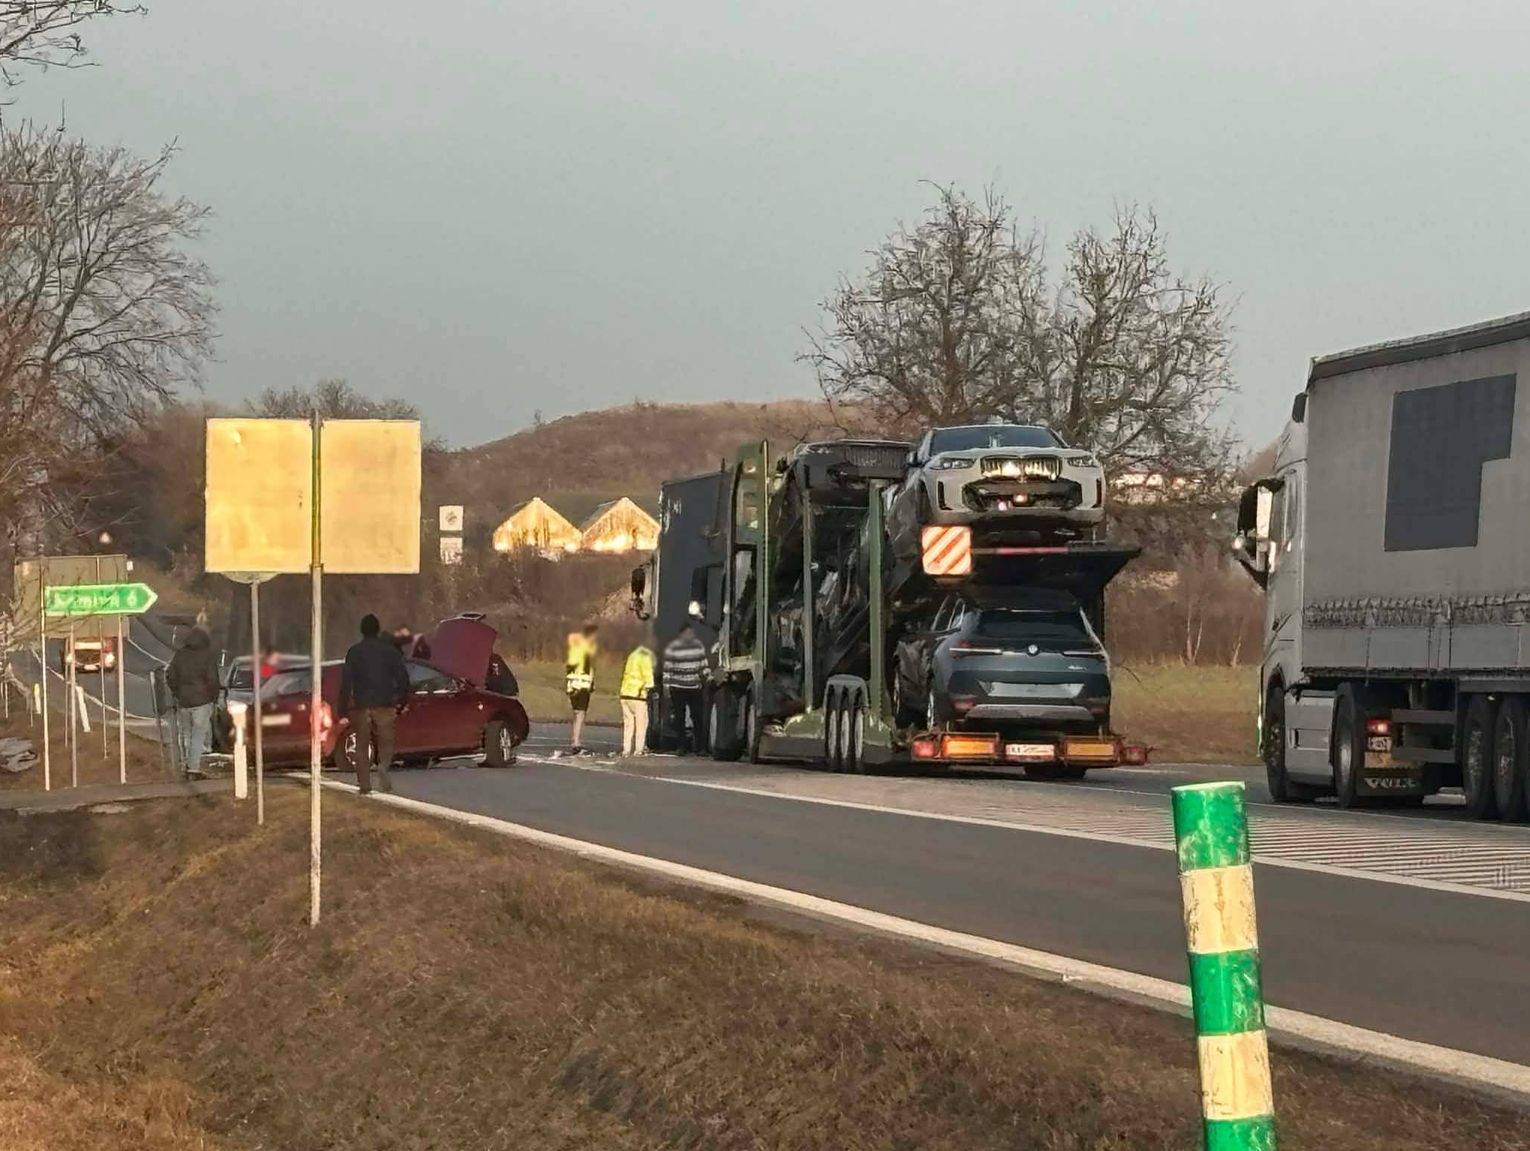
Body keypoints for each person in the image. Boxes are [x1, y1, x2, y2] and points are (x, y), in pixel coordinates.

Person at [337, 613, 410, 795]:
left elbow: (346, 682)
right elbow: (403, 678)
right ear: (378, 630)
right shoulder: (390, 652)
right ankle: (383, 766)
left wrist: (342, 708)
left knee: (362, 745)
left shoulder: (354, 652)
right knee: (386, 742)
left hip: (362, 706)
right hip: (385, 704)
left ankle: (364, 784)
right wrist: (401, 700)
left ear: (362, 631)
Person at [166, 625, 219, 777]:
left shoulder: (180, 655)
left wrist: (177, 692)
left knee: (186, 735)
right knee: (198, 735)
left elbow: (170, 676)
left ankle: (185, 764)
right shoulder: (207, 656)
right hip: (202, 701)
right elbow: (213, 679)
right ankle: (193, 767)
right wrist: (213, 697)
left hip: (184, 701)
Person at [663, 623, 709, 754]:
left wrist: (708, 676)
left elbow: (703, 665)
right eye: (688, 633)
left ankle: (700, 747)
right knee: (679, 718)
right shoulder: (673, 648)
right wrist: (667, 687)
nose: (691, 636)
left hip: (694, 686)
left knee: (698, 717)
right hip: (678, 687)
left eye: (692, 633)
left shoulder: (698, 646)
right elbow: (667, 669)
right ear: (682, 634)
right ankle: (681, 746)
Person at [565, 623, 599, 753]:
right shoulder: (586, 650)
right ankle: (576, 741)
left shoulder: (575, 649)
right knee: (580, 714)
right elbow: (588, 670)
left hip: (573, 686)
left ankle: (574, 739)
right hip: (582, 686)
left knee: (576, 714)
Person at [618, 640, 656, 757]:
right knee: (641, 723)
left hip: (625, 693)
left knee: (628, 723)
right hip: (638, 695)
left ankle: (626, 749)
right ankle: (639, 749)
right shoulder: (645, 658)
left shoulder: (631, 656)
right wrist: (650, 687)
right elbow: (647, 676)